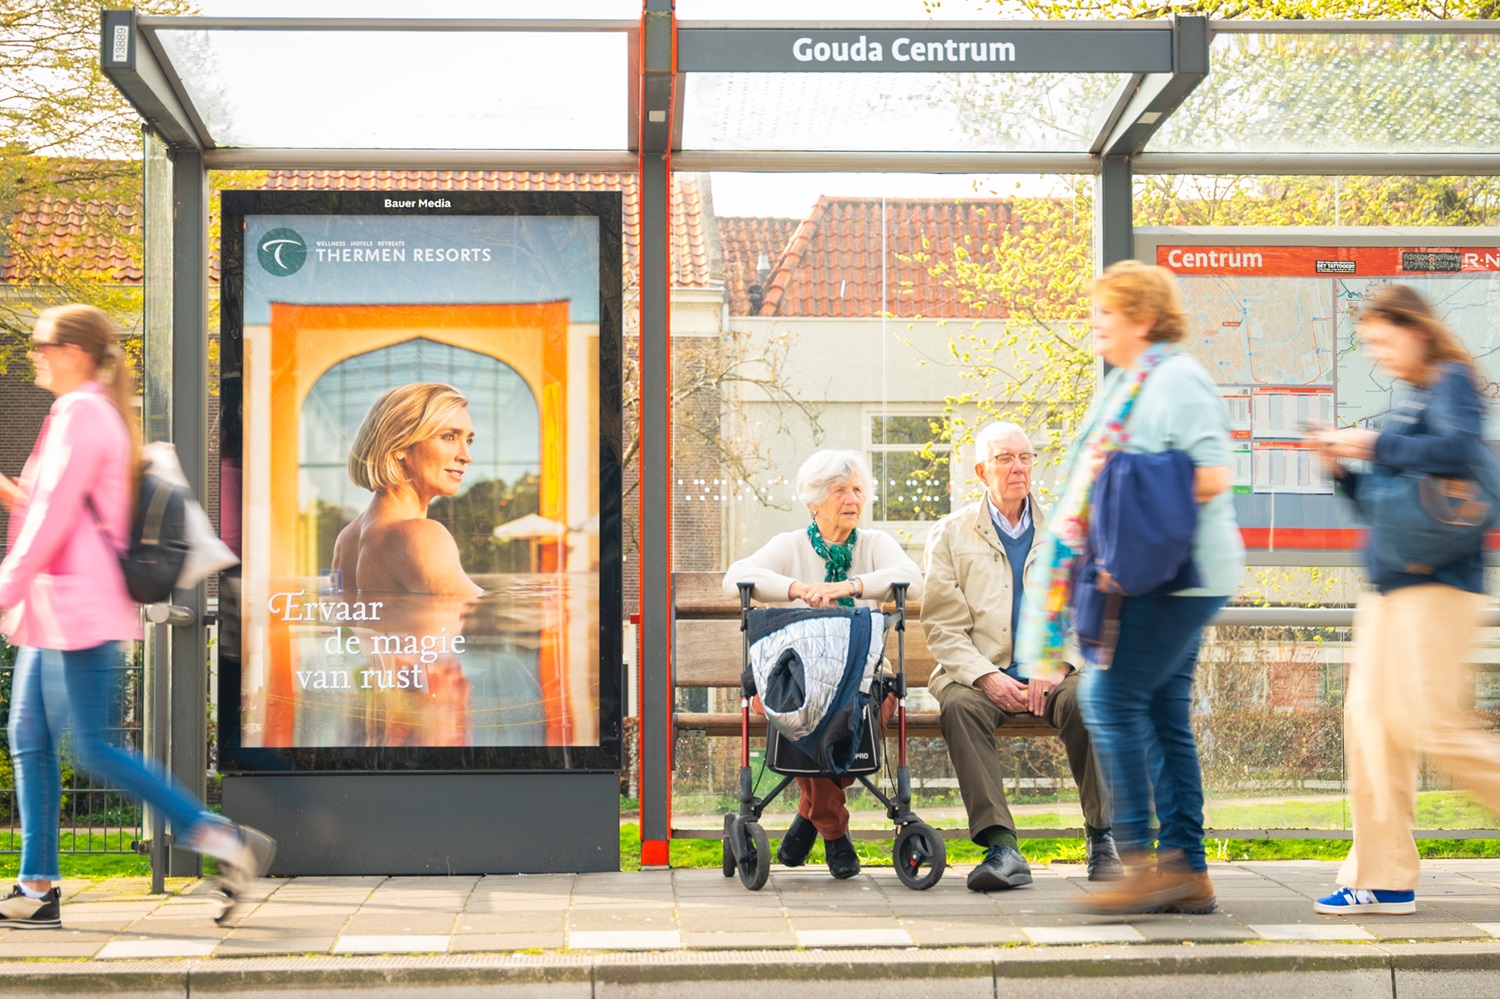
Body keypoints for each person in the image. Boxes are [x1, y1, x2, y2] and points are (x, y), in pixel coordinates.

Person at [0, 304, 274, 929]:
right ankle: (37, 886)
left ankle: (224, 840)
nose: (32, 354)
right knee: (31, 737)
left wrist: (4, 585)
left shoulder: (83, 413)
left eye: (42, 345)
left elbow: (56, 520)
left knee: (96, 747)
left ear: (73, 352)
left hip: (81, 609)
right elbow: (56, 507)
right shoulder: (75, 413)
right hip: (54, 607)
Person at [1020, 261, 1243, 915]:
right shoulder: (1131, 382)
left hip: (1173, 577)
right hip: (1159, 576)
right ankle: (1188, 869)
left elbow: (1212, 473)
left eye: (1105, 313)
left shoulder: (1175, 379)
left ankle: (1141, 863)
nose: (1094, 323)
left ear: (1142, 318)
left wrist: (1127, 526)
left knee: (1110, 699)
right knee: (1164, 715)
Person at [1307, 285, 1500, 916]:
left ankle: (1385, 873)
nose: (1379, 355)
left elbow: (1459, 452)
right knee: (1370, 727)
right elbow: (1384, 508)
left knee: (1429, 726)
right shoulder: (1414, 398)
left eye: (1383, 340)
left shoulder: (1449, 381)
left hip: (1438, 590)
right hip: (1390, 590)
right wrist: (1340, 468)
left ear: (1414, 329)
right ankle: (1383, 876)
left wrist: (1366, 444)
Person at [922, 421, 1120, 892]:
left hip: (1052, 672)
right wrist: (986, 677)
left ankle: (1102, 837)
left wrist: (1056, 666)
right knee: (959, 707)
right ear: (981, 470)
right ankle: (1003, 847)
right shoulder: (950, 534)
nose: (1018, 468)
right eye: (1005, 458)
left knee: (1087, 699)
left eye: (1025, 458)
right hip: (978, 673)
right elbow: (942, 627)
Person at [722, 449, 923, 879]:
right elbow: (734, 576)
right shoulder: (791, 546)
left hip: (866, 680)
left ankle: (810, 817)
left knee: (850, 721)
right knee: (802, 711)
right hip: (794, 681)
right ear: (814, 501)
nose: (852, 499)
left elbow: (913, 576)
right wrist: (796, 588)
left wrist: (848, 586)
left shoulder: (873, 544)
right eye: (839, 491)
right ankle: (834, 832)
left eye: (856, 490)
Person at [332, 383, 482, 596]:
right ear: (400, 446)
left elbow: (340, 618)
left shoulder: (345, 540)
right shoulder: (421, 536)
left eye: (469, 440)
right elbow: (476, 622)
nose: (466, 456)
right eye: (449, 436)